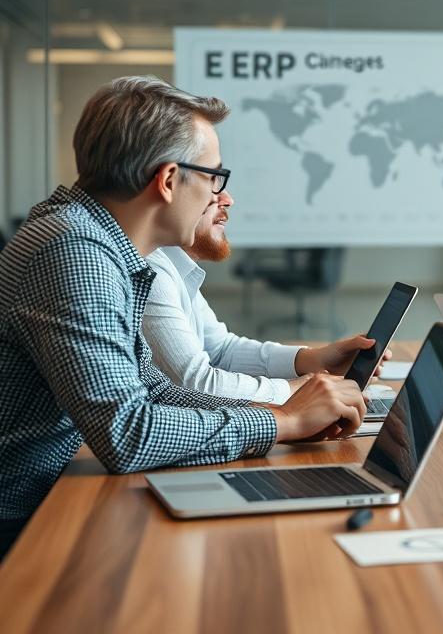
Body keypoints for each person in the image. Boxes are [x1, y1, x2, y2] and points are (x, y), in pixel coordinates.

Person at [0, 77, 369, 559]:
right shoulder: (76, 252)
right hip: (20, 515)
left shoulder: (94, 240)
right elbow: (127, 434)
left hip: (48, 490)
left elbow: (150, 390)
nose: (220, 194)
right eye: (214, 175)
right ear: (170, 180)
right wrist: (282, 422)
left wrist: (284, 417)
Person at [143, 189, 387, 403]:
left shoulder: (176, 267)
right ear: (168, 184)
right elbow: (197, 385)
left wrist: (315, 359)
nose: (228, 199)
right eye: (211, 180)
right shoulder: (151, 272)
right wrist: (297, 392)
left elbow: (220, 351)